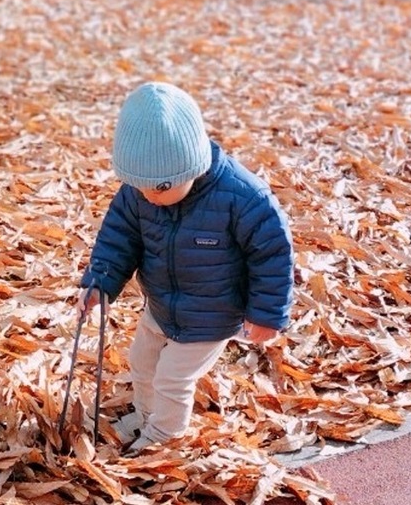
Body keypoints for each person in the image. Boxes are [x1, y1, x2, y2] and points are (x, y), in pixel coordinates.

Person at [77, 81, 294, 453]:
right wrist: (100, 282)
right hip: (162, 305)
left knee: (172, 380)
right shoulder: (141, 192)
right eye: (139, 187)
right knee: (142, 363)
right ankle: (148, 417)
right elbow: (118, 238)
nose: (148, 197)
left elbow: (272, 256)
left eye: (159, 188)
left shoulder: (244, 198)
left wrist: (267, 315)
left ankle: (164, 436)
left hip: (212, 315)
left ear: (192, 165)